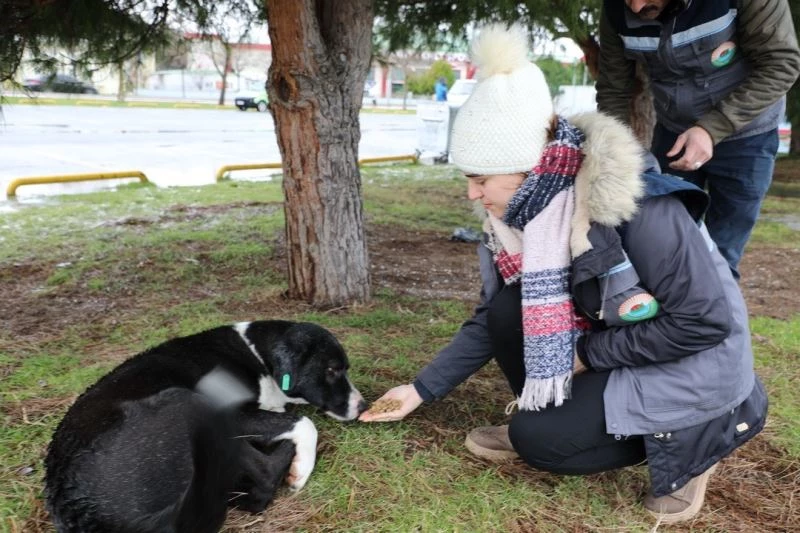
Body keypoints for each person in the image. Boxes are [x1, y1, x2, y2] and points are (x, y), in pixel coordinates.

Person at [360, 23, 768, 525]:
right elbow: (493, 316)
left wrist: (584, 353)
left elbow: (705, 325)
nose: (472, 195)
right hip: (622, 343)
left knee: (542, 443)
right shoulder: (511, 219)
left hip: (698, 367)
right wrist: (421, 389)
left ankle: (693, 446)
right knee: (511, 309)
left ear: (532, 168)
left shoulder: (639, 208)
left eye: (480, 179)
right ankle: (557, 411)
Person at [596, 0, 800, 279]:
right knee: (658, 242)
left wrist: (711, 128)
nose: (635, 6)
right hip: (673, 131)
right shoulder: (616, 10)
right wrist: (613, 151)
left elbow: (781, 64)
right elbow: (613, 89)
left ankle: (716, 315)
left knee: (721, 252)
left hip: (747, 134)